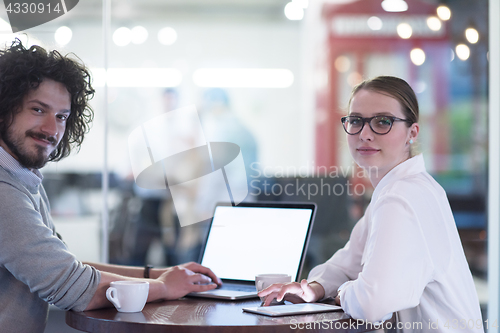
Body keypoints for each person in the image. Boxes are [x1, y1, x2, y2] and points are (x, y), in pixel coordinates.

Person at [0, 40, 221, 333]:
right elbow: (72, 287)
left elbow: (64, 266)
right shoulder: (4, 189)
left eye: (62, 116)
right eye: (38, 110)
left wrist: (156, 274)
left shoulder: (23, 177)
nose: (52, 129)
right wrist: (163, 287)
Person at [259, 76, 484, 332]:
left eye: (383, 122)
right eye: (355, 121)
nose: (365, 134)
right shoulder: (397, 189)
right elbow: (347, 263)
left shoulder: (401, 197)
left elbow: (371, 304)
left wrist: (343, 293)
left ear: (412, 132)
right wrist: (313, 289)